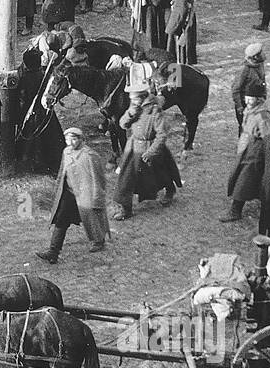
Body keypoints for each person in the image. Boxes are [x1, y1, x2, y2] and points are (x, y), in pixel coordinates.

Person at [37, 126, 108, 263]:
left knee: (91, 218)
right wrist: (58, 189)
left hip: (85, 194)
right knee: (61, 219)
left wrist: (96, 198)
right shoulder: (66, 152)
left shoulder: (90, 156)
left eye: (74, 139)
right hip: (70, 193)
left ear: (82, 140)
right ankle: (53, 251)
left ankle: (99, 240)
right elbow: (62, 173)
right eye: (67, 139)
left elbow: (98, 178)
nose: (70, 142)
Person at [112, 91, 182, 220]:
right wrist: (131, 112)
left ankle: (170, 189)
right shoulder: (134, 107)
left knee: (160, 173)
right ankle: (126, 209)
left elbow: (162, 135)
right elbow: (122, 124)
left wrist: (152, 152)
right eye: (131, 99)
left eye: (134, 99)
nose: (132, 101)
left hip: (149, 147)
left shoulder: (155, 111)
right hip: (132, 148)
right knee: (126, 178)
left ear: (143, 98)